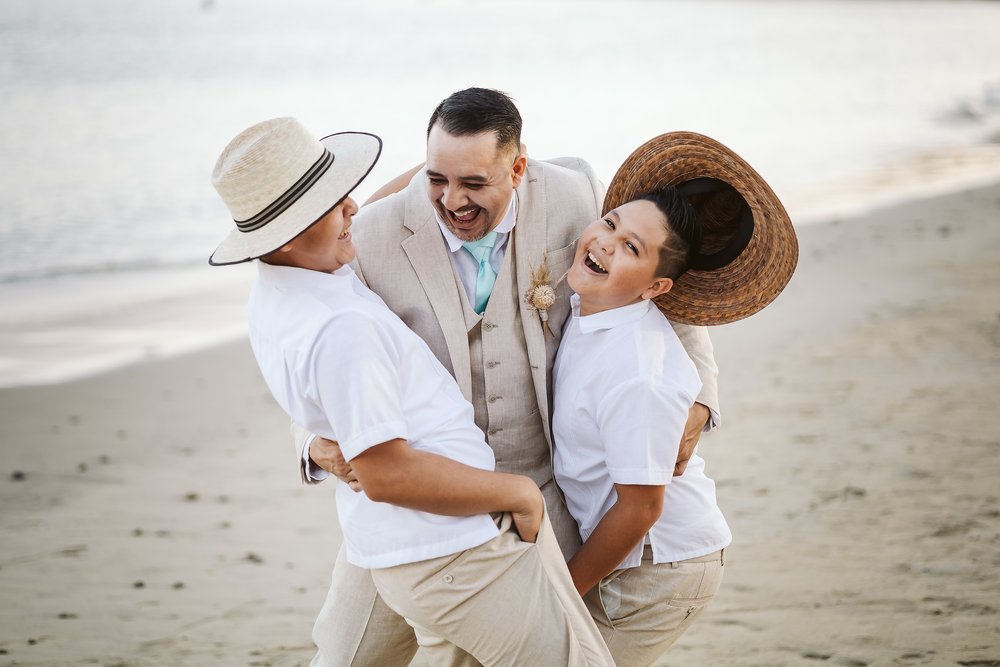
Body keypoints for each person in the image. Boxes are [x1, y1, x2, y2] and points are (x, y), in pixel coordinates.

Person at [296, 88, 722, 665]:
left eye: (475, 184)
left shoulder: (579, 198)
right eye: (436, 180)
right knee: (350, 655)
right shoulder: (371, 236)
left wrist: (700, 396)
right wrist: (314, 442)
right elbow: (311, 336)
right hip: (414, 502)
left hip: (542, 496)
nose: (453, 202)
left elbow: (665, 286)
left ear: (517, 167)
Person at [208, 117, 615, 666]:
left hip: (436, 531)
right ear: (287, 232)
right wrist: (516, 494)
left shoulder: (287, 285)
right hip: (448, 538)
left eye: (471, 180)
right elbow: (378, 463)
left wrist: (442, 170)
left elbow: (658, 274)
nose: (352, 206)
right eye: (332, 201)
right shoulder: (346, 297)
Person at [554, 132, 798, 665]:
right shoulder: (590, 306)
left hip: (661, 567)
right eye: (611, 223)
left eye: (631, 249)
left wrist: (563, 593)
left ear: (654, 290)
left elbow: (642, 508)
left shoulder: (637, 370)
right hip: (630, 551)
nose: (604, 243)